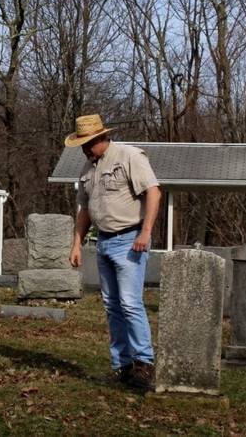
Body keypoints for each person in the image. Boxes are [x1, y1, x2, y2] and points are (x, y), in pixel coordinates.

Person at [65, 113, 161, 389]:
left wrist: (145, 232)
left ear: (100, 137)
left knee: (131, 303)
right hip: (104, 242)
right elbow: (84, 210)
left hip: (131, 239)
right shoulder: (87, 169)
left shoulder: (129, 156)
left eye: (87, 144)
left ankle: (144, 364)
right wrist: (76, 244)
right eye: (81, 145)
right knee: (112, 306)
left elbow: (154, 192)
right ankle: (122, 366)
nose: (84, 149)